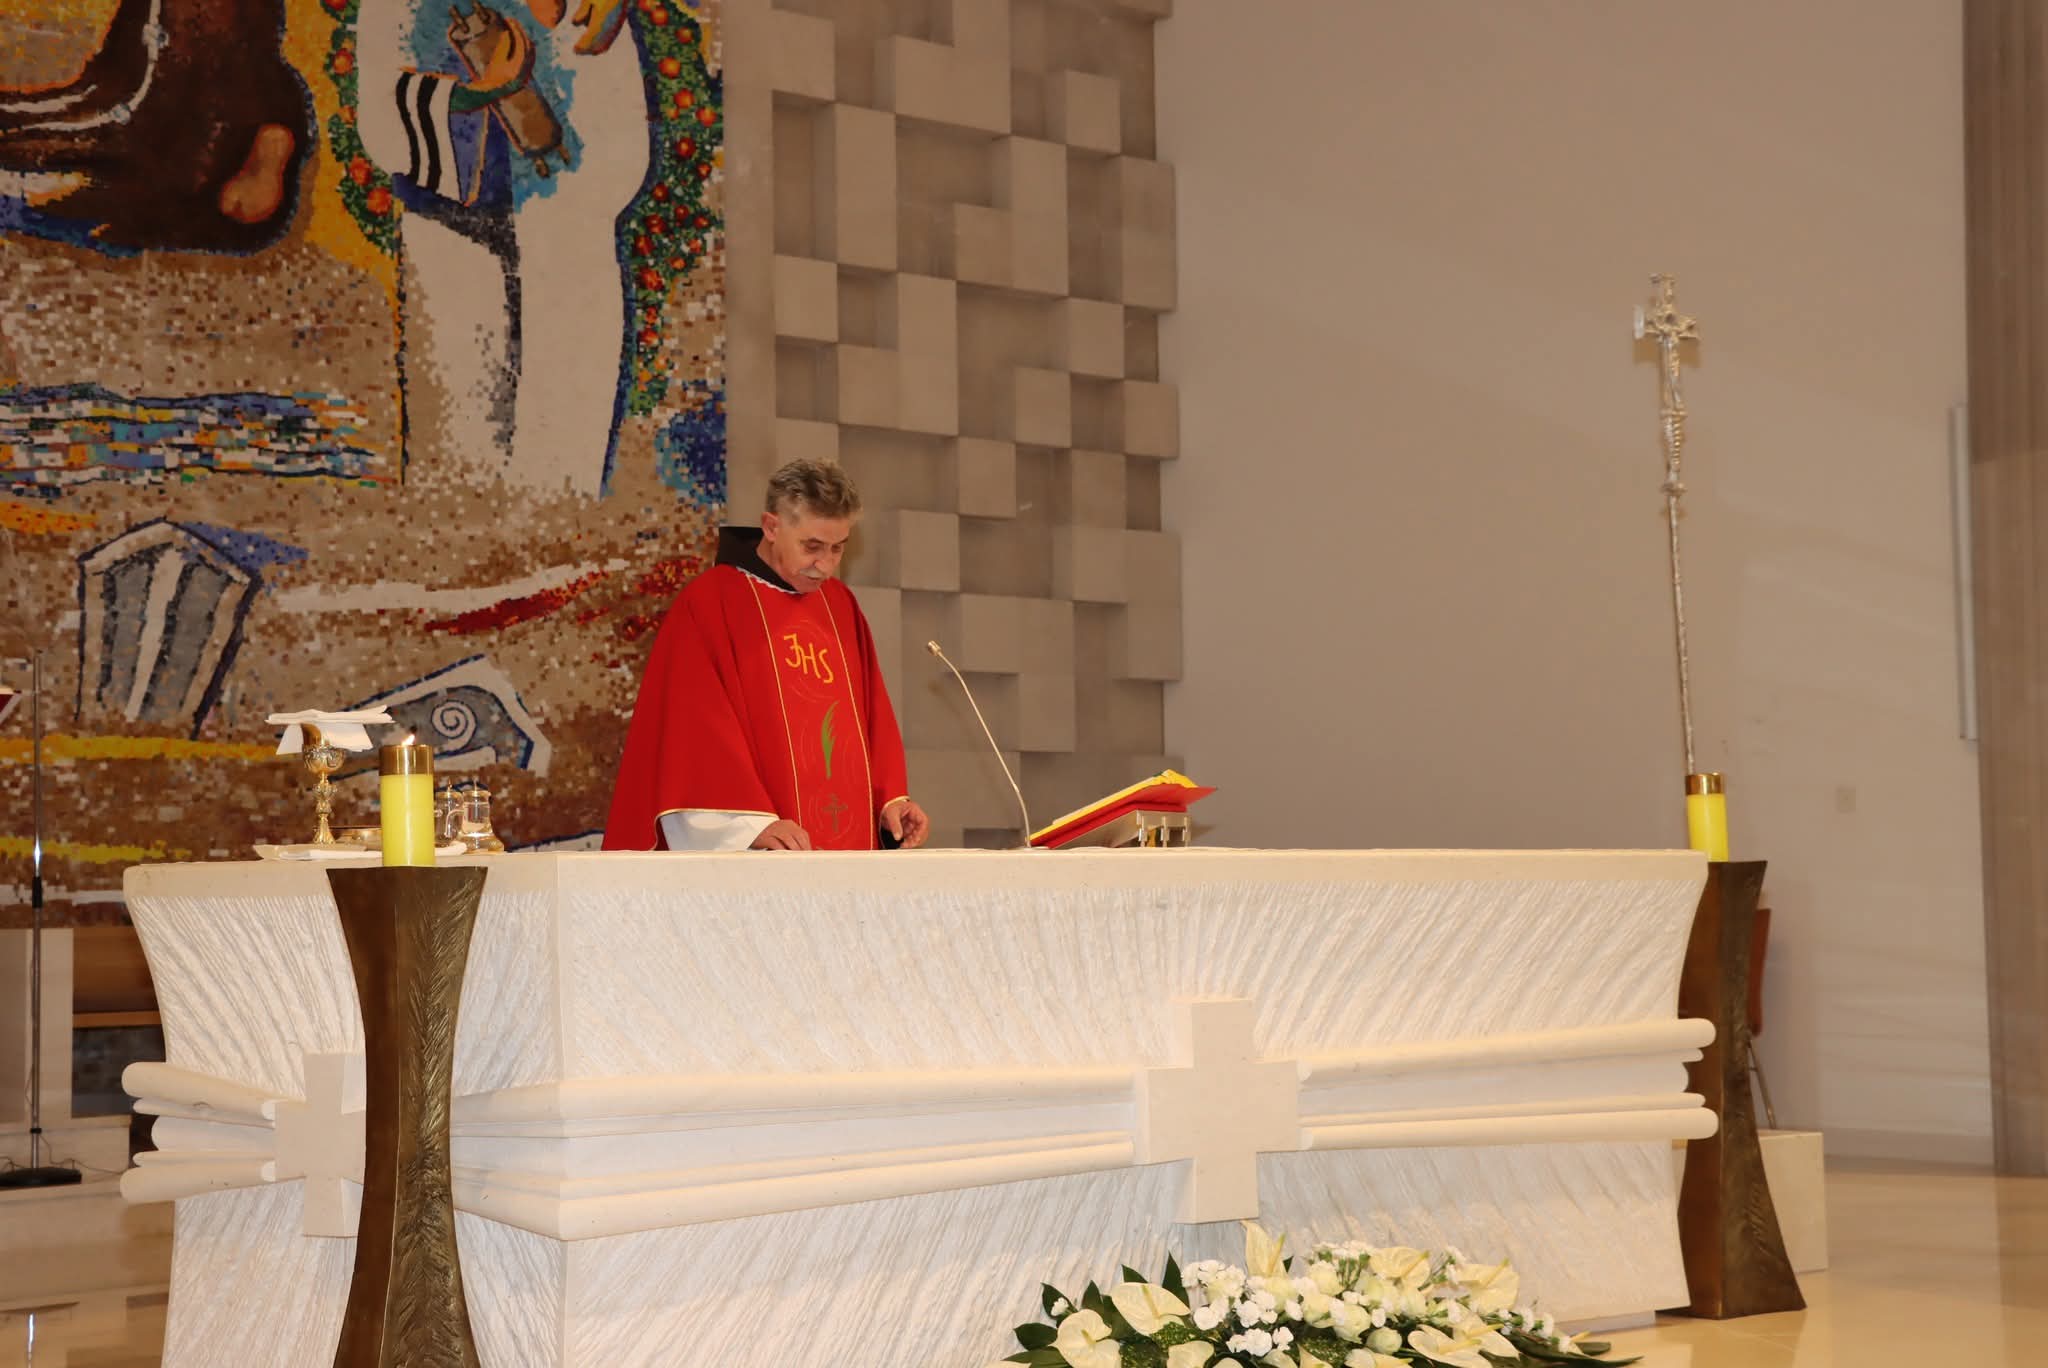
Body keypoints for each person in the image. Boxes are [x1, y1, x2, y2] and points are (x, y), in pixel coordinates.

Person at [604, 460, 931, 851]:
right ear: (772, 527)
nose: (825, 565)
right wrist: (747, 826)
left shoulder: (840, 604)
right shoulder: (711, 603)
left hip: (849, 851)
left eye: (838, 548)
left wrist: (890, 801)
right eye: (812, 547)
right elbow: (693, 732)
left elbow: (872, 714)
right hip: (761, 855)